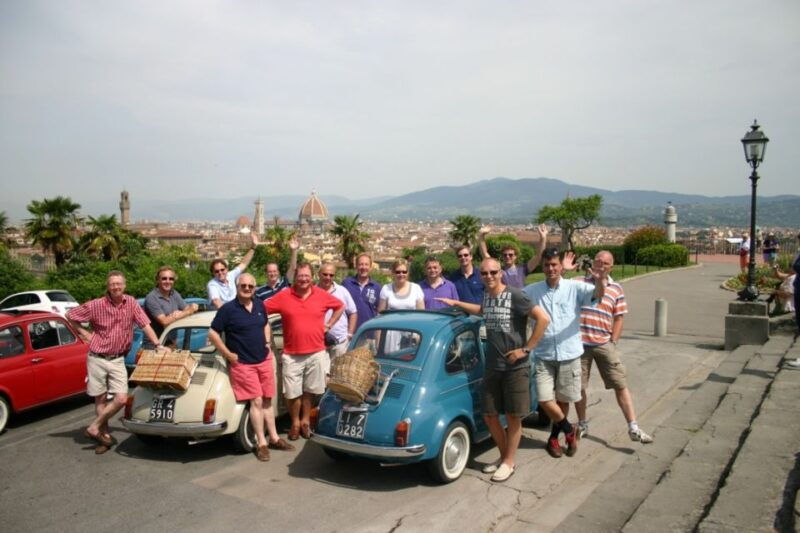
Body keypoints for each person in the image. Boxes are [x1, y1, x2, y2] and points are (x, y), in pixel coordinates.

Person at [436, 258, 549, 482]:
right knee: (489, 415)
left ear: (501, 273)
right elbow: (481, 310)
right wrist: (456, 303)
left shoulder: (517, 295)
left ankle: (509, 462)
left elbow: (543, 319)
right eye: (485, 273)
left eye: (493, 272)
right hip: (492, 366)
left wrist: (525, 349)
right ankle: (503, 456)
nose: (489, 276)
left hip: (515, 367)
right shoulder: (488, 296)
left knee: (513, 416)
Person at [67, 271, 164, 454]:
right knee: (101, 398)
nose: (116, 287)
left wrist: (158, 344)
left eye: (119, 283)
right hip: (97, 357)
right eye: (112, 284)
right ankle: (102, 436)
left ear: (124, 286)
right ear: (108, 286)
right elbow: (70, 315)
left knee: (121, 398)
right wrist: (84, 332)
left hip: (118, 358)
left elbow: (145, 324)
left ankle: (94, 426)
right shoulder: (96, 305)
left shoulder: (131, 303)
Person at [523, 248, 606, 459]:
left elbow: (597, 295)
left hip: (569, 353)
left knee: (563, 399)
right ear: (543, 267)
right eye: (547, 265)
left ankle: (553, 438)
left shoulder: (574, 287)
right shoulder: (532, 291)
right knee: (543, 398)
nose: (550, 268)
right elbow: (513, 304)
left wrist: (600, 281)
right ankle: (570, 430)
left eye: (554, 265)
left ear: (561, 266)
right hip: (544, 355)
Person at [208, 273, 294, 461]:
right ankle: (261, 443)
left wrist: (266, 343)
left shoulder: (259, 305)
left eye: (250, 286)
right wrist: (228, 354)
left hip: (262, 360)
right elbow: (213, 333)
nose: (247, 289)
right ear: (237, 287)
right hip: (243, 364)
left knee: (267, 401)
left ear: (255, 288)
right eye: (243, 286)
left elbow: (265, 324)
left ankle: (274, 437)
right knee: (255, 401)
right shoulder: (227, 309)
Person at [574, 251, 653, 444]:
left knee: (619, 383)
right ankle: (582, 423)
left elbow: (619, 317)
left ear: (611, 267)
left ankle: (633, 426)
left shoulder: (616, 288)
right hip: (579, 344)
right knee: (579, 387)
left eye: (605, 263)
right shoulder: (578, 283)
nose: (600, 265)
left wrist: (613, 341)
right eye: (598, 261)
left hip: (603, 343)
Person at [266, 263, 344, 440]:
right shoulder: (284, 295)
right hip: (292, 354)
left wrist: (329, 325)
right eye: (300, 276)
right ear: (295, 277)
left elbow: (340, 306)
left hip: (316, 352)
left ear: (312, 277)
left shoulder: (321, 295)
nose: (303, 279)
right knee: (292, 392)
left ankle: (305, 421)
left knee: (310, 391)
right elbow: (261, 310)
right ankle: (294, 422)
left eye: (306, 276)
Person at [317, 261, 358, 374]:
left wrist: (349, 335)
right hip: (319, 343)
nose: (328, 277)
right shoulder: (312, 291)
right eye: (325, 274)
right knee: (321, 376)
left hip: (340, 342)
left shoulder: (342, 291)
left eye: (331, 275)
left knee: (339, 376)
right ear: (318, 274)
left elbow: (353, 312)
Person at [478, 224, 548, 288]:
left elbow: (539, 256)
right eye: (505, 255)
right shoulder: (499, 270)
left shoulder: (523, 269)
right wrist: (481, 236)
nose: (507, 257)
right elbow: (485, 254)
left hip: (519, 301)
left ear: (515, 256)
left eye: (510, 255)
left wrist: (543, 238)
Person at [143, 266, 199, 343]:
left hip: (171, 341)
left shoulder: (174, 293)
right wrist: (187, 312)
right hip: (154, 344)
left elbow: (187, 308)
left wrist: (180, 313)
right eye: (164, 278)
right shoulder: (152, 298)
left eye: (171, 279)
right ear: (158, 280)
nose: (168, 281)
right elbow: (164, 321)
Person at [207, 233, 258, 309]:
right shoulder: (212, 285)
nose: (220, 273)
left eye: (222, 270)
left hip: (235, 309)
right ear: (213, 273)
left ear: (227, 269)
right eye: (217, 271)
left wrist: (253, 247)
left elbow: (244, 263)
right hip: (221, 313)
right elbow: (216, 301)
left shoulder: (230, 275)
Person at [342, 253, 382, 330]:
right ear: (356, 266)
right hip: (348, 332)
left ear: (370, 267)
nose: (363, 267)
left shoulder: (377, 287)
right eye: (361, 264)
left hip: (369, 333)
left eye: (366, 264)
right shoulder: (347, 283)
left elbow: (379, 313)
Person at [255, 235, 299, 302]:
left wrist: (294, 250)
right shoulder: (259, 292)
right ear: (266, 273)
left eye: (274, 271)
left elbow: (293, 268)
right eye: (270, 271)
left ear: (278, 272)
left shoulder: (285, 283)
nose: (272, 274)